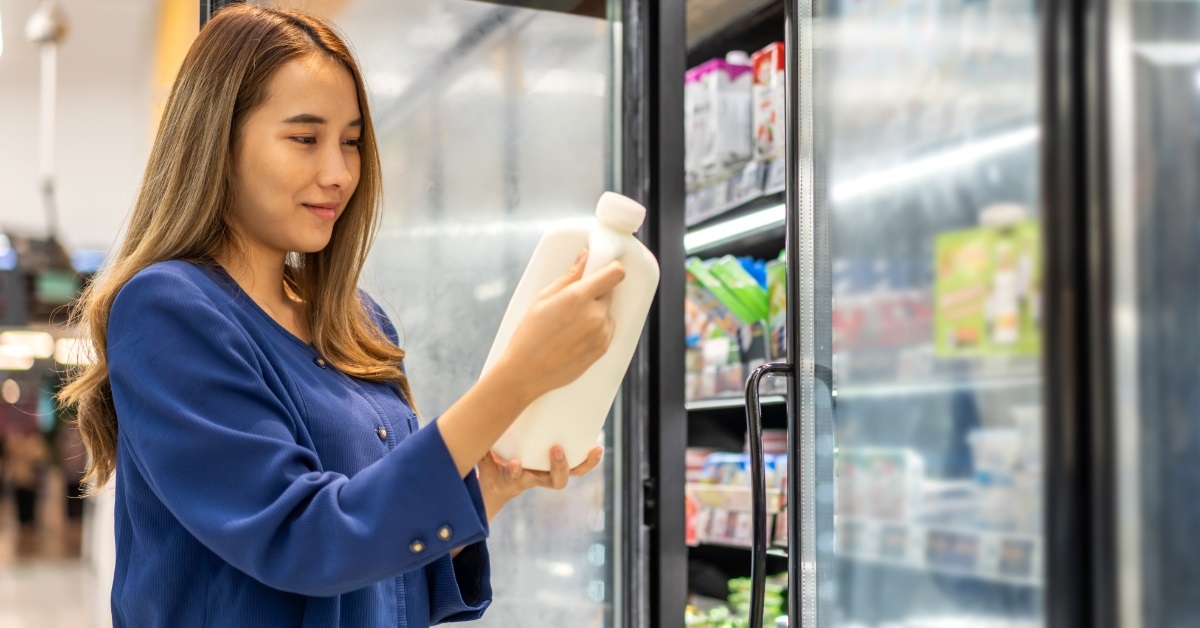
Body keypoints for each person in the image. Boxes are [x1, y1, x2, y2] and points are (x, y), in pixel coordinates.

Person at [58, 5, 624, 627]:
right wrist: (516, 380)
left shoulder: (357, 322)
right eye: (305, 139)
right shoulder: (168, 310)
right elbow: (308, 540)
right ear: (216, 141)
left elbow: (376, 575)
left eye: (351, 142)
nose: (338, 173)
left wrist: (487, 488)